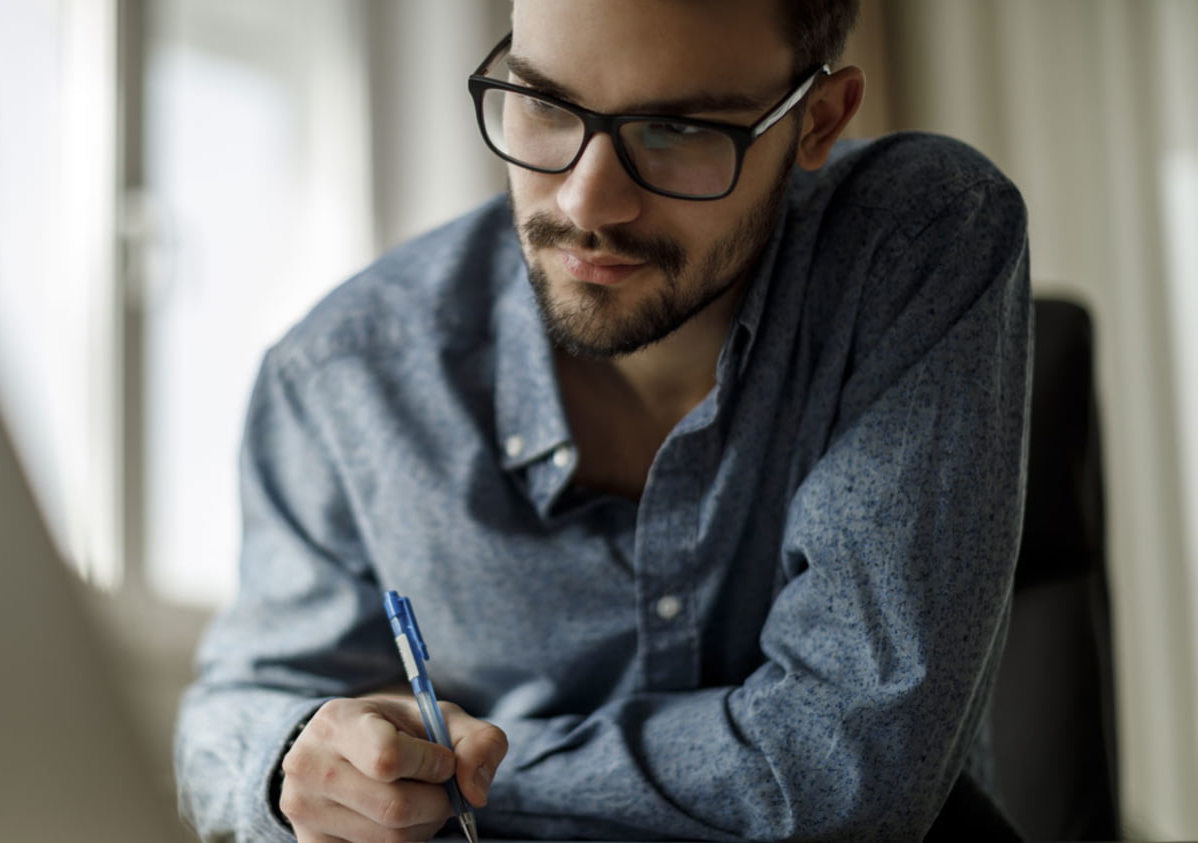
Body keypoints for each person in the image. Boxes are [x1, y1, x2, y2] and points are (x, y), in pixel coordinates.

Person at [175, 0, 1032, 840]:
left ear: (817, 120)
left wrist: (461, 781)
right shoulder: (343, 373)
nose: (588, 204)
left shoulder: (918, 240)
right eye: (545, 105)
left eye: (678, 130)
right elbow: (233, 718)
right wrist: (299, 754)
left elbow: (848, 771)